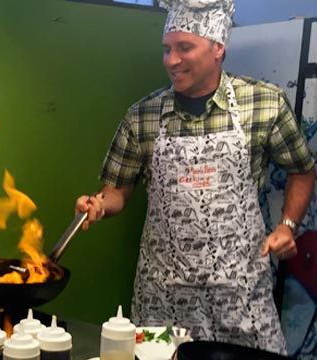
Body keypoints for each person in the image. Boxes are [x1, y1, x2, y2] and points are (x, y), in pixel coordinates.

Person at [75, 0, 315, 355]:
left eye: (184, 47)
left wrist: (288, 225)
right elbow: (117, 192)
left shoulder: (264, 103)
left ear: (218, 47)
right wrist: (97, 204)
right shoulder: (141, 117)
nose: (171, 60)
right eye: (167, 49)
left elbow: (302, 169)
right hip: (164, 298)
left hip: (240, 295)